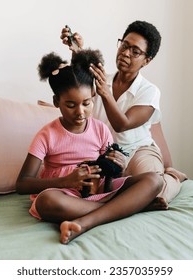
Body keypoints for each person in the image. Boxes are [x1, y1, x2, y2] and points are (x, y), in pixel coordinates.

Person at [16, 49, 166, 245]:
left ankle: (86, 221)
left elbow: (110, 177)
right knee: (45, 203)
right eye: (70, 105)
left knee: (154, 180)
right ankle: (124, 208)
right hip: (65, 195)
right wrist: (65, 182)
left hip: (100, 191)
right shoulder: (47, 134)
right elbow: (22, 184)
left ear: (93, 96)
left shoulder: (101, 129)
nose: (80, 112)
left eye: (86, 103)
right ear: (56, 102)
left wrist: (118, 167)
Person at [60, 21, 187, 205]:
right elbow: (79, 87)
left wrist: (104, 92)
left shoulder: (149, 91)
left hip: (138, 151)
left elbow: (122, 124)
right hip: (105, 154)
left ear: (147, 60)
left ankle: (173, 178)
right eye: (124, 45)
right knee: (92, 190)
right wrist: (76, 51)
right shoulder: (103, 80)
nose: (126, 53)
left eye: (135, 51)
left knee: (154, 184)